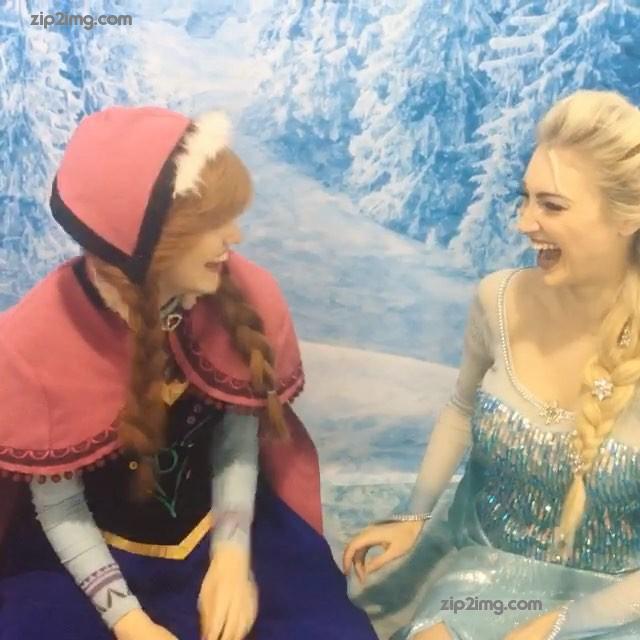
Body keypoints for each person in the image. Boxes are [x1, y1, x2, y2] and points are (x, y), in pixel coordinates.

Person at [0, 106, 377, 640]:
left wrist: (232, 561)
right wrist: (129, 622)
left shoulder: (240, 295)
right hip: (88, 554)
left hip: (224, 521)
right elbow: (59, 505)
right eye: (211, 224)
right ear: (151, 243)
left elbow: (237, 439)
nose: (235, 236)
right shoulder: (38, 342)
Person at [344, 90, 640, 640]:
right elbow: (461, 408)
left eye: (552, 206)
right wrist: (415, 514)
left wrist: (556, 626)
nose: (525, 223)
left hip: (617, 602)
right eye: (525, 199)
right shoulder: (497, 300)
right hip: (488, 574)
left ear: (628, 216)